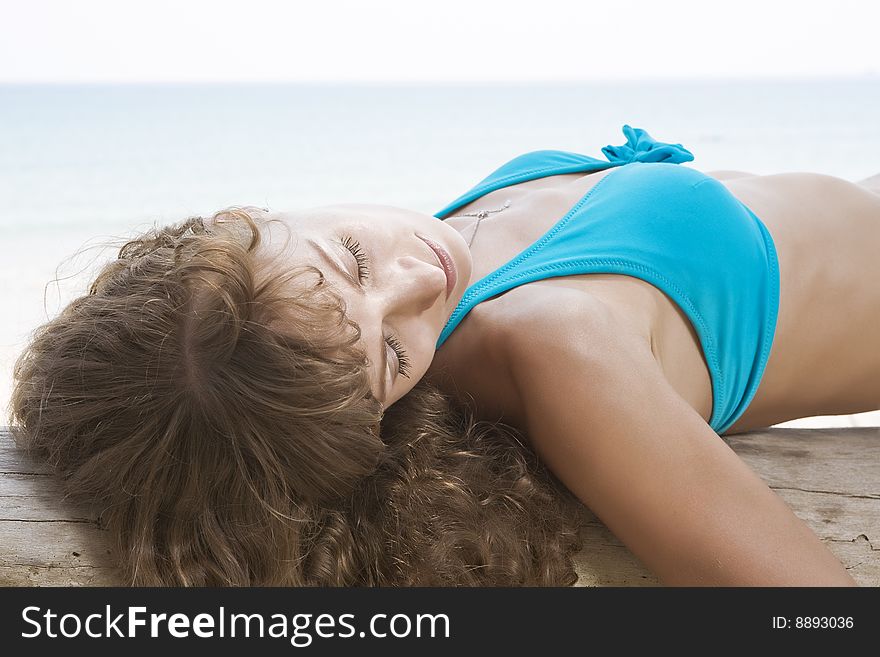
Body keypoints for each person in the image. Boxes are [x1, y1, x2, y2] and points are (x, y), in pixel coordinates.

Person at [10, 125, 876, 586]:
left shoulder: (426, 261)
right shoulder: (553, 346)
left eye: (348, 257)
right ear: (375, 415)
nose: (417, 282)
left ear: (242, 220)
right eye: (392, 354)